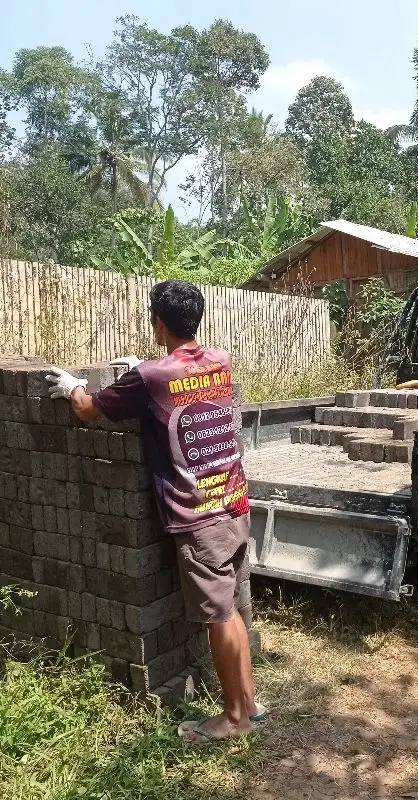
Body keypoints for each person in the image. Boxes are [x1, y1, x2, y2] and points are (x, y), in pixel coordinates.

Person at [46, 279, 264, 745]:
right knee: (231, 607)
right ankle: (249, 702)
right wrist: (143, 369)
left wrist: (72, 386)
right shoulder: (220, 361)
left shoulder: (151, 377)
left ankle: (234, 718)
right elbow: (182, 390)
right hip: (233, 500)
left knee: (220, 614)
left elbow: (88, 410)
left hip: (199, 516)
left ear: (157, 322)